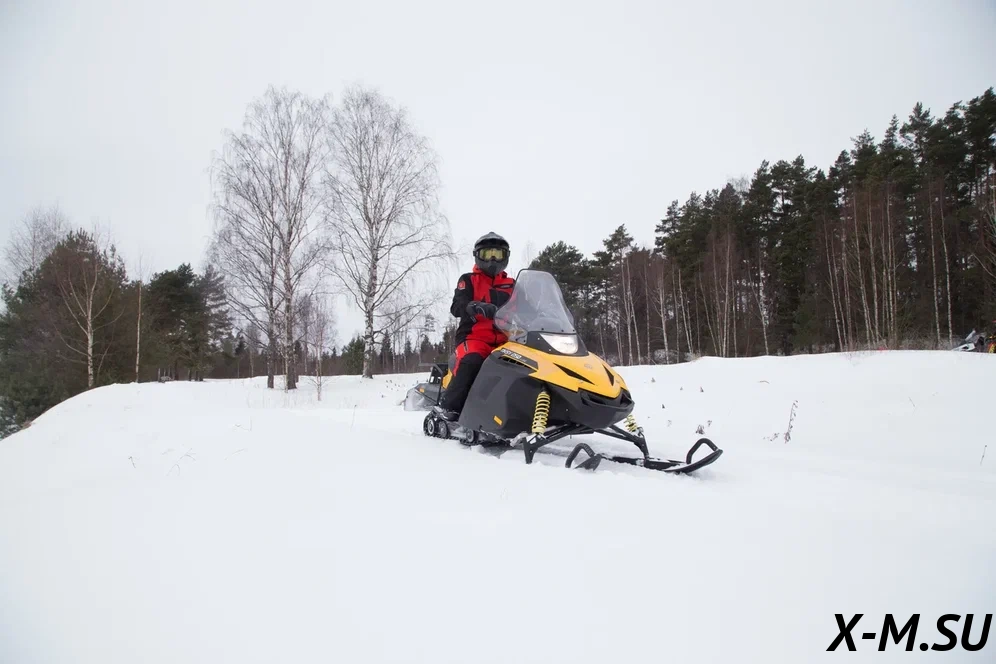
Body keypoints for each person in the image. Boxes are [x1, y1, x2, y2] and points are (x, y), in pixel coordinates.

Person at [434, 232, 515, 421]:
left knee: (528, 365)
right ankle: (449, 408)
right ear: (478, 255)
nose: (493, 259)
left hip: (507, 341)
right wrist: (474, 306)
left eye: (498, 254)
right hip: (474, 338)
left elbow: (528, 307)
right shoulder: (469, 280)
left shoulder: (512, 285)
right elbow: (457, 306)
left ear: (505, 256)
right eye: (488, 254)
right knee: (473, 361)